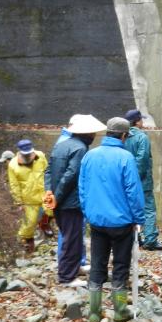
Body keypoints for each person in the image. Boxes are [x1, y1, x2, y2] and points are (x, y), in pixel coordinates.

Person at [79, 117, 145, 322]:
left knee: (97, 265)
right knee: (120, 266)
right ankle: (119, 310)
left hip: (97, 221)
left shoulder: (89, 156)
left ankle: (94, 312)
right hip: (122, 222)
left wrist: (88, 212)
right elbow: (133, 192)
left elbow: (82, 188)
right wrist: (138, 218)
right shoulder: (126, 157)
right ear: (124, 135)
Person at [45, 114, 106, 286]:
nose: (94, 136)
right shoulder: (80, 149)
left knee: (71, 236)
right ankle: (66, 276)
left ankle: (75, 268)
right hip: (70, 202)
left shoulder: (61, 145)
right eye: (92, 133)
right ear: (86, 134)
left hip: (59, 200)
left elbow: (48, 170)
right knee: (71, 239)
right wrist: (58, 196)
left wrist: (49, 192)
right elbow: (71, 175)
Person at [124, 109, 162, 251]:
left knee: (131, 208)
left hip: (126, 180)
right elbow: (142, 159)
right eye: (141, 119)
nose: (143, 122)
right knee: (148, 209)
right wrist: (136, 177)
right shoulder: (142, 137)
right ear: (137, 121)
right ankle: (151, 240)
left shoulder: (123, 136)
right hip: (142, 180)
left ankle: (135, 237)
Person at [8, 139, 48, 253]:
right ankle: (27, 244)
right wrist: (18, 202)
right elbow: (14, 185)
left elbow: (47, 171)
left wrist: (51, 188)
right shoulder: (12, 164)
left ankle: (45, 227)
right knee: (29, 223)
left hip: (45, 193)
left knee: (53, 212)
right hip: (28, 198)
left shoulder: (40, 156)